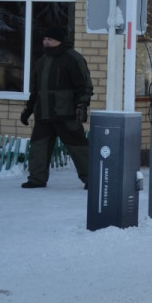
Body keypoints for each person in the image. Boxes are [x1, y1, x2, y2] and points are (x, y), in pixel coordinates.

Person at [19, 26, 92, 189]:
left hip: (66, 113)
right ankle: (37, 179)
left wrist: (82, 104)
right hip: (43, 114)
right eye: (45, 39)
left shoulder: (73, 58)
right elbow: (35, 90)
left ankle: (91, 178)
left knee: (78, 147)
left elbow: (84, 85)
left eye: (50, 39)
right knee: (38, 147)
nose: (46, 42)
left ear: (59, 41)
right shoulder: (42, 61)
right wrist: (28, 110)